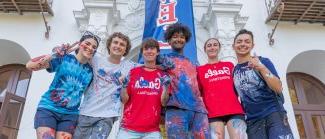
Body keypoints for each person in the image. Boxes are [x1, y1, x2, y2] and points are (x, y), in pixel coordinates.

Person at [26, 31, 100, 139]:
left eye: (94, 47)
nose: (90, 48)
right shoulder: (64, 58)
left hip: (70, 116)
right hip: (48, 109)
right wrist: (55, 55)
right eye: (87, 43)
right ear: (79, 44)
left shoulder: (91, 72)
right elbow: (30, 66)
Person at [73, 32, 137, 139]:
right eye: (115, 42)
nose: (118, 46)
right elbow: (79, 53)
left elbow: (149, 65)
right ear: (109, 45)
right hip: (86, 111)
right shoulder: (95, 59)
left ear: (126, 50)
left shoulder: (129, 66)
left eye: (122, 44)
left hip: (107, 116)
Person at [232, 29, 293, 139]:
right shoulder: (234, 71)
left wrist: (261, 67)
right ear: (234, 45)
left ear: (252, 45)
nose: (243, 44)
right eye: (239, 41)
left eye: (247, 41)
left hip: (274, 114)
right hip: (252, 122)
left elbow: (278, 88)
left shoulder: (264, 61)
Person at [159, 23, 210, 139]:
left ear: (186, 40)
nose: (179, 39)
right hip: (175, 109)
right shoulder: (162, 59)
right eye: (175, 36)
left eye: (182, 37)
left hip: (199, 110)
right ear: (169, 40)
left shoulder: (193, 62)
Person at [117, 38, 170, 139]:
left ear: (157, 52)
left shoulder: (163, 75)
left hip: (152, 131)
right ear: (142, 52)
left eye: (152, 48)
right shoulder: (133, 72)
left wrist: (166, 87)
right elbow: (124, 100)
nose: (149, 51)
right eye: (146, 49)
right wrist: (124, 87)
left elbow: (163, 103)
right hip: (128, 129)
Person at [197, 38, 246, 139]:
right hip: (213, 113)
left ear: (219, 48)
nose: (212, 47)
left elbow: (236, 88)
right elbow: (199, 93)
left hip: (234, 109)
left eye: (215, 45)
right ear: (205, 49)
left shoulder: (229, 65)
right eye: (209, 45)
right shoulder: (200, 70)